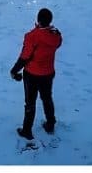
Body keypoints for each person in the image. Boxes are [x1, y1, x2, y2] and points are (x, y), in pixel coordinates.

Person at [10, 8, 62, 140]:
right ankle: (50, 124)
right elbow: (58, 43)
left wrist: (14, 70)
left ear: (38, 20)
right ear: (50, 21)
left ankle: (27, 130)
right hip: (48, 73)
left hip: (32, 74)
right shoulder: (56, 36)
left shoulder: (32, 36)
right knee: (47, 99)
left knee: (30, 102)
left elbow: (25, 57)